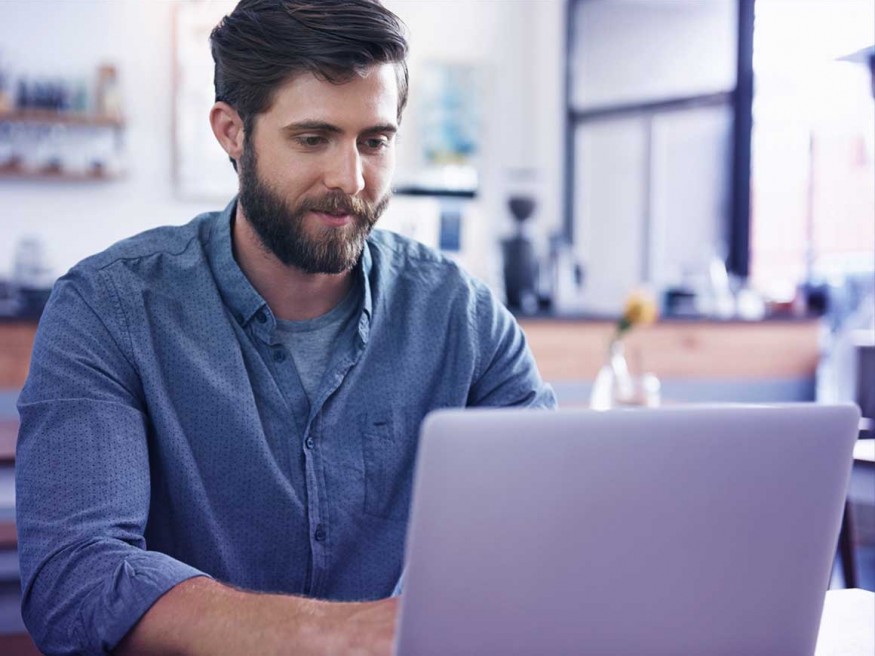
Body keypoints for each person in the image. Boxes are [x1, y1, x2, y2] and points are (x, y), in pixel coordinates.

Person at [15, 1, 556, 654]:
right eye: (313, 138)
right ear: (231, 132)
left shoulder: (466, 322)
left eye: (374, 140)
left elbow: (548, 537)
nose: (350, 179)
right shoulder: (109, 308)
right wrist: (340, 635)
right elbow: (73, 581)